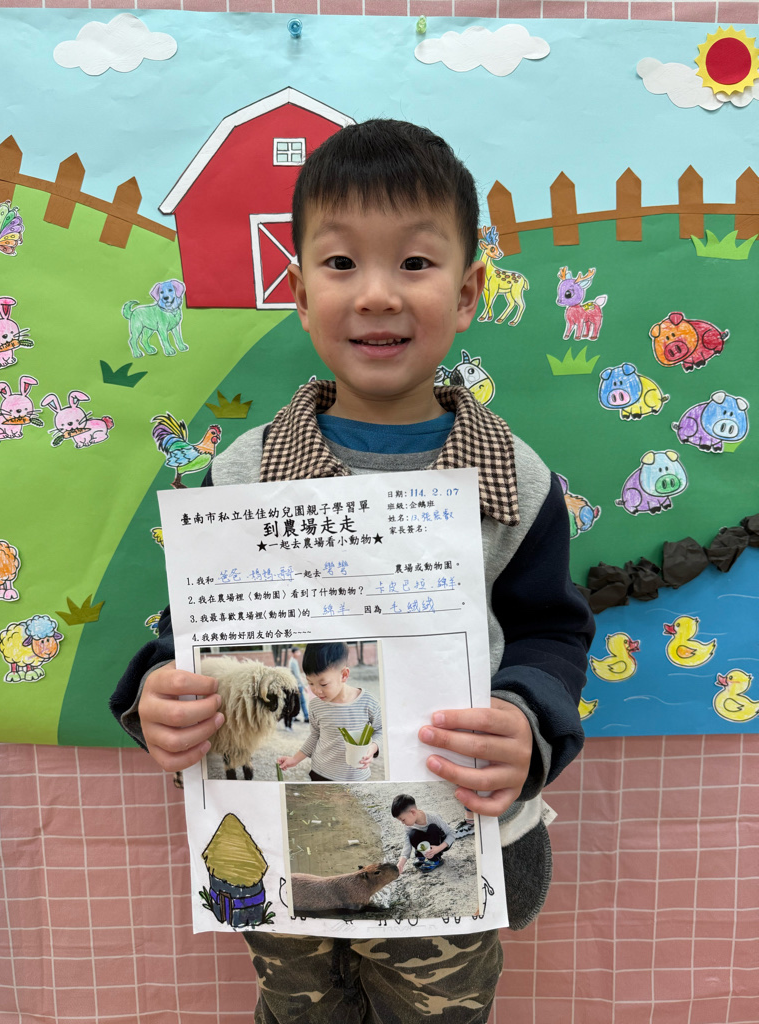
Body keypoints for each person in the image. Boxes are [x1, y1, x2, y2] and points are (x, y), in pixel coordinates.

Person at [110, 118, 594, 1023]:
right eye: (340, 264)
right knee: (298, 1010)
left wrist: (527, 720)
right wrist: (160, 698)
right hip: (275, 849)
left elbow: (551, 632)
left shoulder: (516, 481)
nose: (376, 294)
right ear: (299, 294)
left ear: (468, 292)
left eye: (415, 262)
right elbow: (192, 638)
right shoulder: (241, 474)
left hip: (450, 845)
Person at [276, 641, 382, 781]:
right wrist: (294, 759)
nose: (316, 690)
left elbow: (381, 730)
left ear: (344, 675)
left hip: (356, 777)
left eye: (323, 684)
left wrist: (373, 748)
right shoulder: (315, 705)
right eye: (310, 683)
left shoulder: (368, 702)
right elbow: (315, 736)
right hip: (320, 774)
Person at [392, 793, 456, 873]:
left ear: (413, 812)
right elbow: (407, 844)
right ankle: (422, 856)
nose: (402, 823)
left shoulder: (433, 817)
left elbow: (452, 833)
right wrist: (401, 864)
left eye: (403, 820)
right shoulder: (408, 825)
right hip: (427, 843)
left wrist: (439, 848)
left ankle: (435, 860)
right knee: (412, 834)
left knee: (432, 828)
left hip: (441, 843)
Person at [286, 646, 309, 724]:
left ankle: (294, 717)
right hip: (297, 685)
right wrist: (304, 686)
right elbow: (297, 676)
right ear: (294, 653)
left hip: (295, 685)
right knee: (302, 702)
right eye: (298, 652)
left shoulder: (293, 661)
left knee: (297, 702)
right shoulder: (293, 662)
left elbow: (298, 674)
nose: (299, 653)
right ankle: (306, 717)